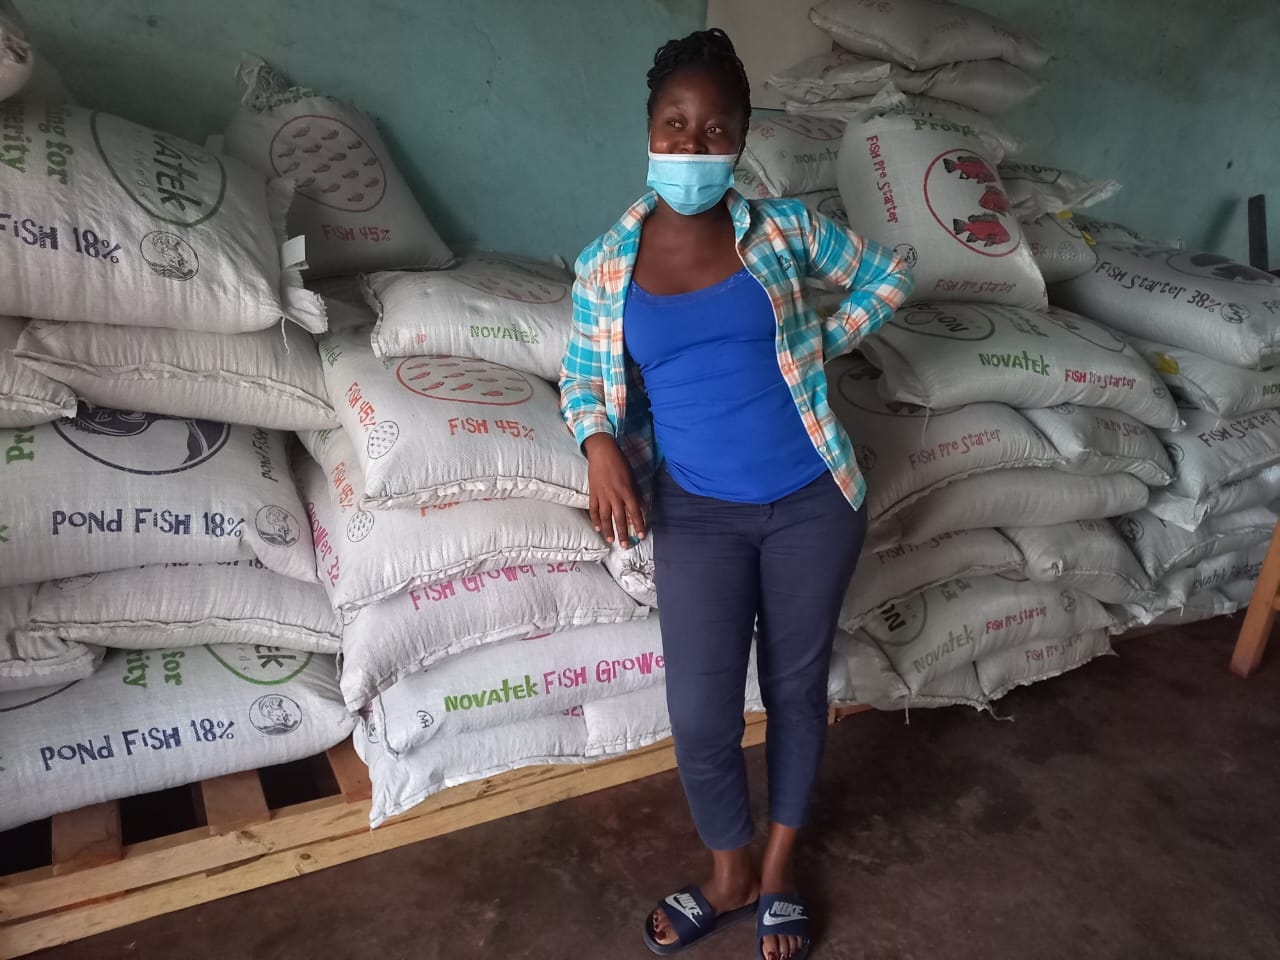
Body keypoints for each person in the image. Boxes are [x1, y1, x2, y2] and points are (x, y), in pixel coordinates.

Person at [559, 28, 914, 960]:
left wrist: (822, 341)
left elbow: (890, 272)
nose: (692, 144)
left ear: (741, 139)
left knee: (795, 689)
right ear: (648, 131)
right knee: (701, 711)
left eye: (715, 130)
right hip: (698, 514)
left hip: (813, 500)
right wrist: (596, 441)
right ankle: (727, 870)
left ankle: (779, 867)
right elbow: (583, 380)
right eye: (675, 125)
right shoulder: (606, 262)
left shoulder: (786, 230)